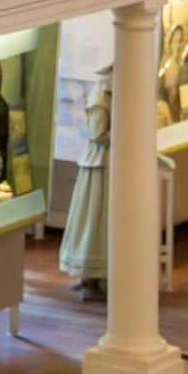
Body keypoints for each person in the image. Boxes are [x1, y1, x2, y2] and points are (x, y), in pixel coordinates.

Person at [59, 64, 113, 299]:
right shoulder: (99, 100)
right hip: (100, 165)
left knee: (102, 222)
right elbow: (98, 134)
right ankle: (93, 273)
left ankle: (101, 274)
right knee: (94, 220)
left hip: (108, 164)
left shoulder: (107, 97)